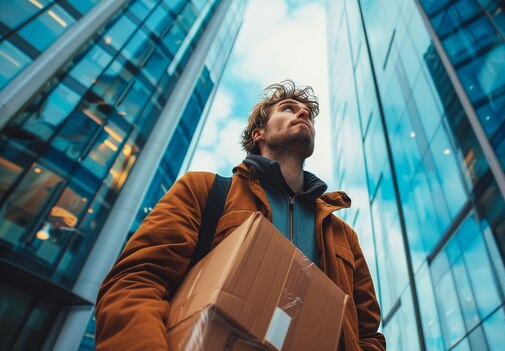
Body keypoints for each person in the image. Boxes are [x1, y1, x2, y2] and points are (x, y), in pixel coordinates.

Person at [95, 80, 386, 350]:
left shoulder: (343, 236)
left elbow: (368, 335)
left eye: (308, 113)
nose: (303, 114)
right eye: (289, 108)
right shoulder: (203, 190)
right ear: (258, 133)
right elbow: (136, 283)